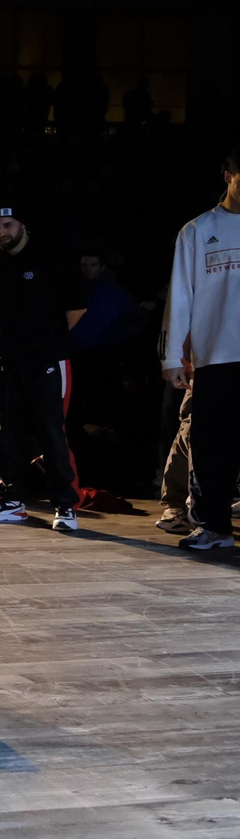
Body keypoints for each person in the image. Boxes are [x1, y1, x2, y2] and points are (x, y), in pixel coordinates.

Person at [0, 198, 86, 531]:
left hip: (47, 362)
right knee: (4, 432)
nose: (1, 233)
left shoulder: (53, 259)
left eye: (7, 226)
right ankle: (11, 502)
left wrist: (46, 343)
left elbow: (76, 308)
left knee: (52, 432)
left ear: (22, 226)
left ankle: (65, 506)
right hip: (6, 364)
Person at [161, 145, 240, 551]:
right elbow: (181, 297)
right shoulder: (196, 231)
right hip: (215, 357)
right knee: (211, 446)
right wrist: (173, 356)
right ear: (229, 174)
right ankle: (214, 527)